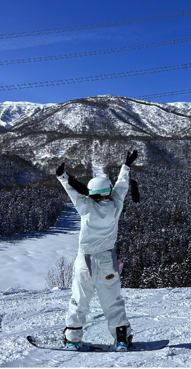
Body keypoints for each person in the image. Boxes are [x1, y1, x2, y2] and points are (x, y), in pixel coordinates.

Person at [54, 150, 138, 351]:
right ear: (108, 191)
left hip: (86, 261)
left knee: (79, 300)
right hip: (107, 260)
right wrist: (126, 165)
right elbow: (122, 186)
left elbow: (74, 192)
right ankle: (121, 339)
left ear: (91, 193)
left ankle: (73, 338)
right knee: (112, 302)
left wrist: (63, 177)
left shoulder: (86, 206)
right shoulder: (115, 205)